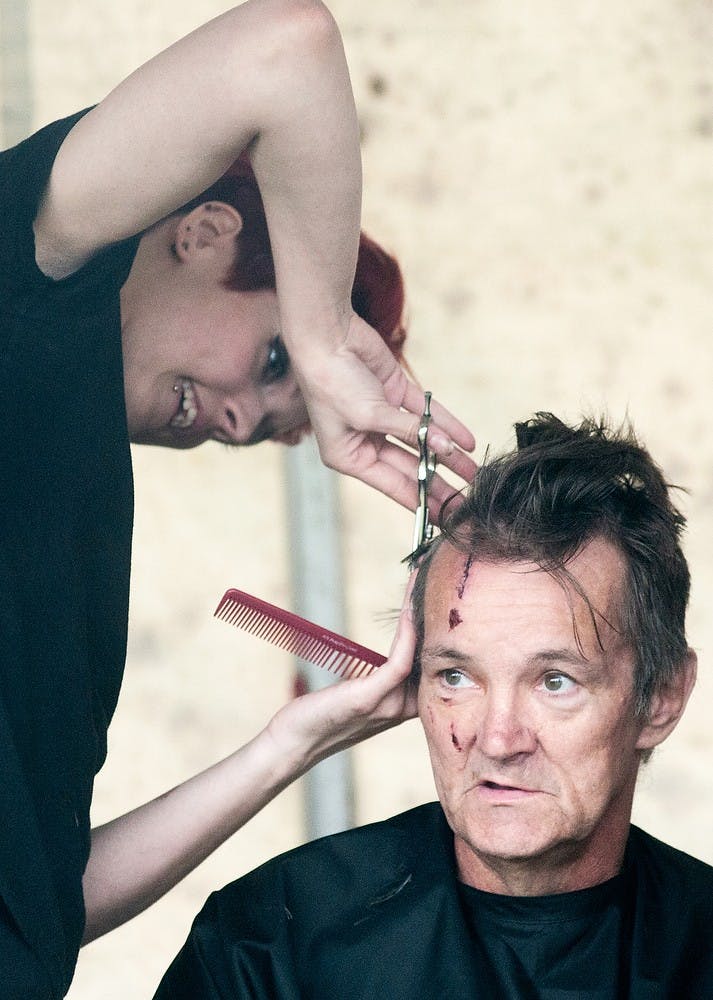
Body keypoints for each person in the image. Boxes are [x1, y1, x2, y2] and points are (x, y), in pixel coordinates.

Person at [1, 1, 477, 996]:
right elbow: (283, 48)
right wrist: (321, 334)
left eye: (267, 425)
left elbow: (41, 900)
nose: (234, 425)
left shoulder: (88, 559)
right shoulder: (33, 281)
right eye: (268, 363)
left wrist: (289, 745)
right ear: (206, 231)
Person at [154, 412, 713, 999]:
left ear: (662, 698)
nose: (498, 740)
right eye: (456, 676)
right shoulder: (272, 948)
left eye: (554, 682)